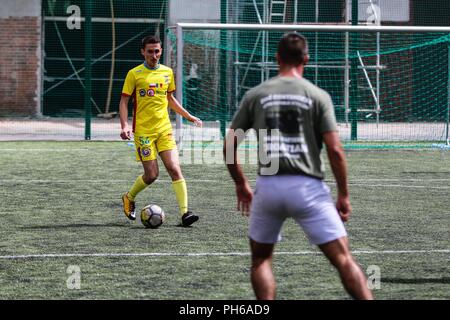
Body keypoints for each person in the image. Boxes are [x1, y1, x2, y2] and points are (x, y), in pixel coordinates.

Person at [224, 32, 373, 299]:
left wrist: (240, 184)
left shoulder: (256, 94)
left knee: (261, 260)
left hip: (268, 187)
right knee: (344, 260)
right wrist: (344, 195)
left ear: (277, 58)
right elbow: (336, 151)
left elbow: (229, 145)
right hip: (308, 188)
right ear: (306, 58)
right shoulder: (318, 95)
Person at [119, 35, 202, 227]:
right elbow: (124, 101)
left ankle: (185, 213)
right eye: (150, 51)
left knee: (174, 169)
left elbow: (170, 99)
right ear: (143, 52)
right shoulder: (134, 74)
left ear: (161, 51)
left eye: (157, 51)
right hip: (143, 133)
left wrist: (188, 116)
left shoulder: (167, 72)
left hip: (164, 129)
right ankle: (129, 196)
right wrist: (124, 125)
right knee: (152, 175)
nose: (154, 55)